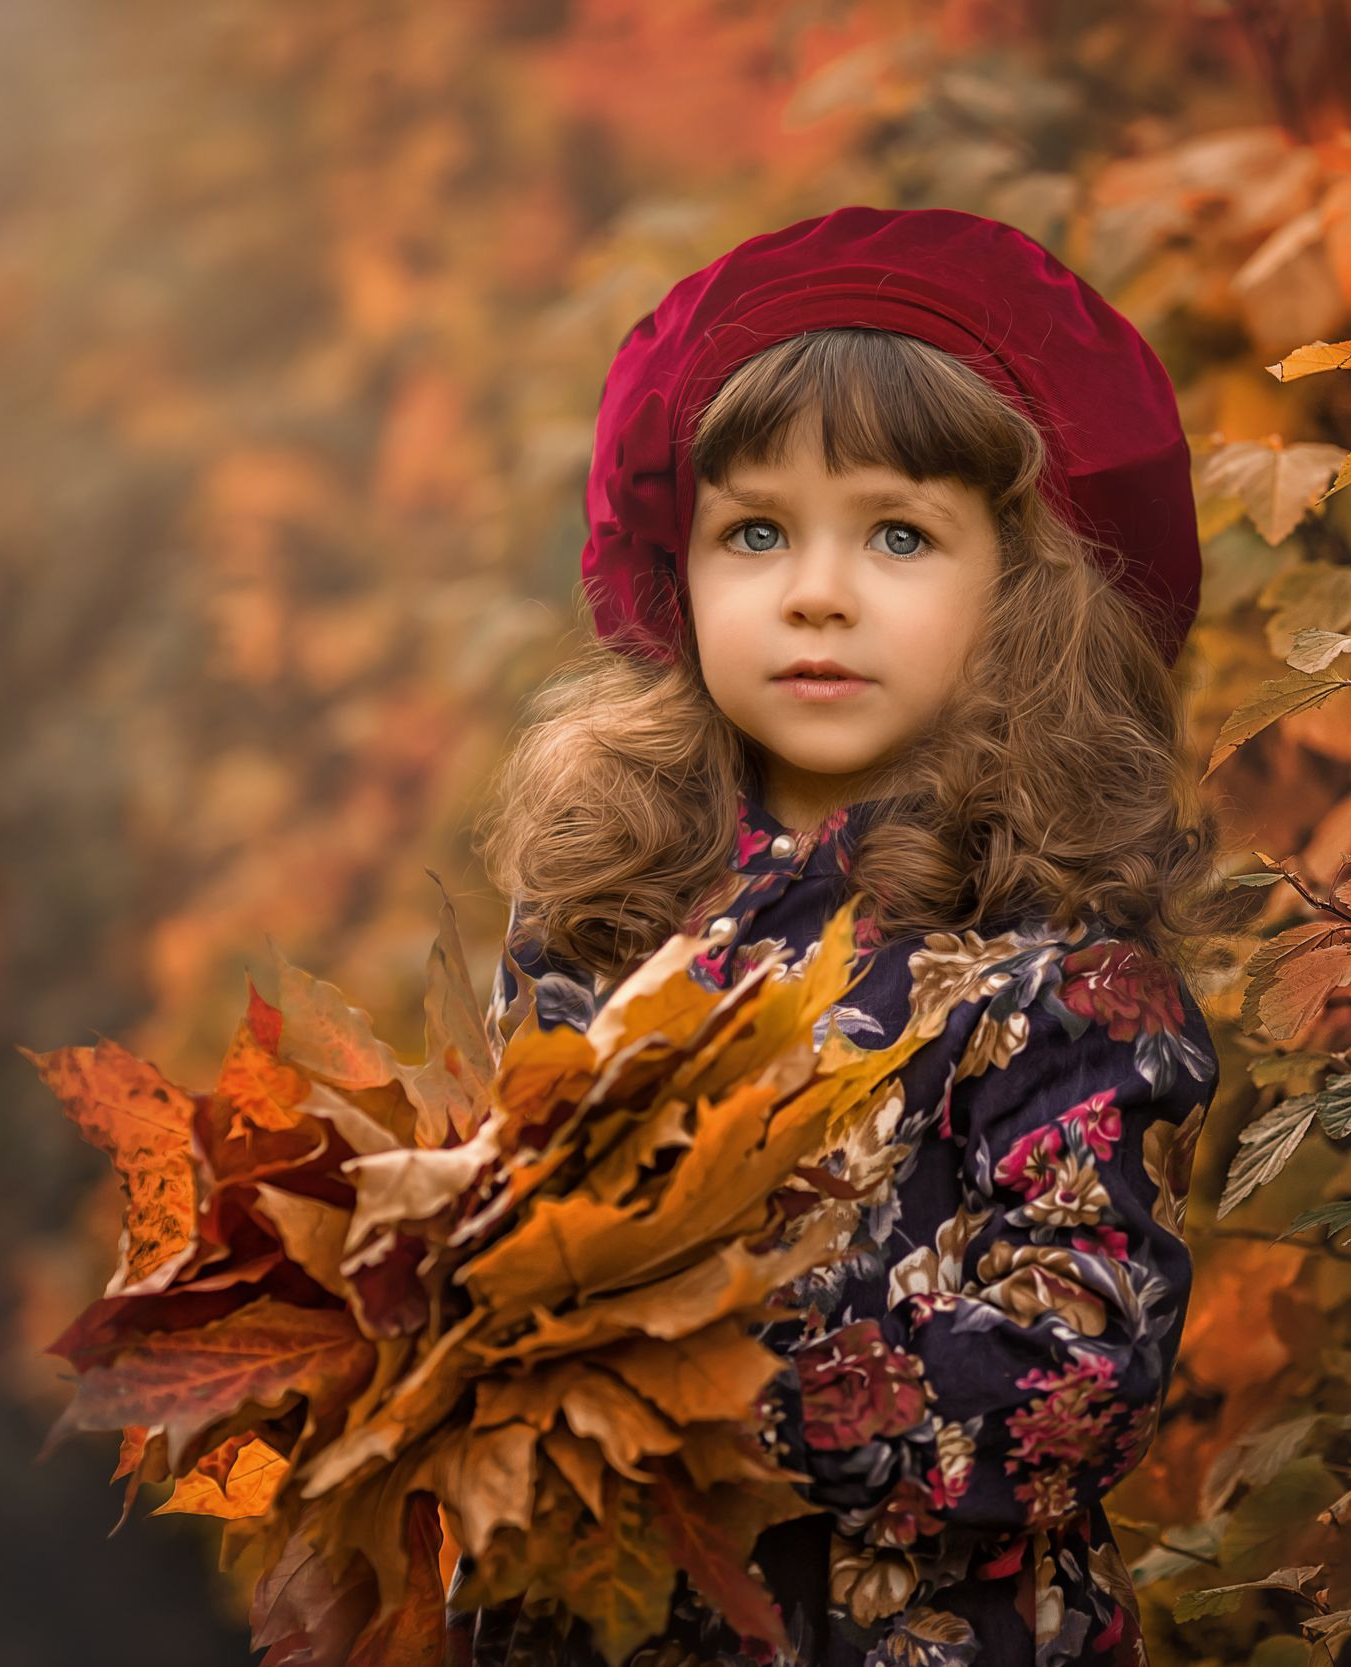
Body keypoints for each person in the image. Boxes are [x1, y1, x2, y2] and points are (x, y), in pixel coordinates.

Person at [445, 205, 1251, 1667]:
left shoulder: (1056, 966)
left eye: (897, 533)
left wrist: (699, 1378)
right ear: (677, 570)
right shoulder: (602, 900)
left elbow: (1076, 1378)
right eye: (756, 532)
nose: (816, 589)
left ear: (1023, 588)